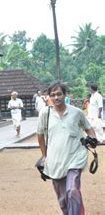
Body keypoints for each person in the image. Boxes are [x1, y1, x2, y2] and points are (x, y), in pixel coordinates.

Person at [37, 82, 97, 214]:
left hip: (75, 156)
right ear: (49, 97)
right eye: (53, 95)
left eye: (59, 94)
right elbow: (40, 135)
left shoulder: (76, 112)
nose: (56, 97)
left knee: (73, 190)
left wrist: (92, 138)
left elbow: (88, 128)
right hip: (55, 160)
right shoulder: (45, 114)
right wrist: (44, 155)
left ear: (65, 95)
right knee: (63, 199)